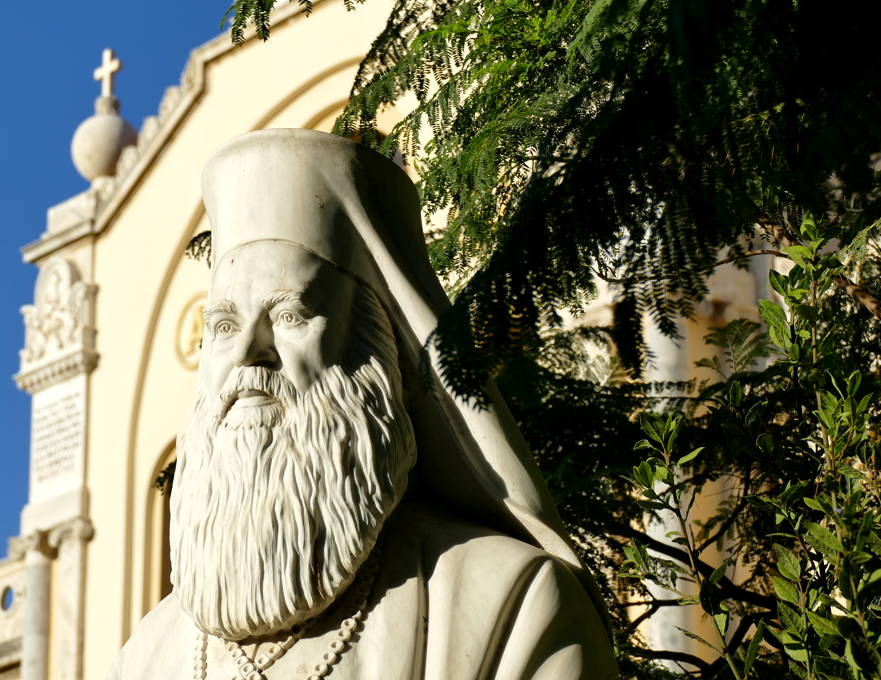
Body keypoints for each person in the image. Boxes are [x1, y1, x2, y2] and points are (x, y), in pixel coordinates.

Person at [107, 129, 617, 680]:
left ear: (372, 351)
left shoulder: (511, 605)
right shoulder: (146, 658)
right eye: (225, 325)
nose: (248, 355)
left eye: (288, 317)